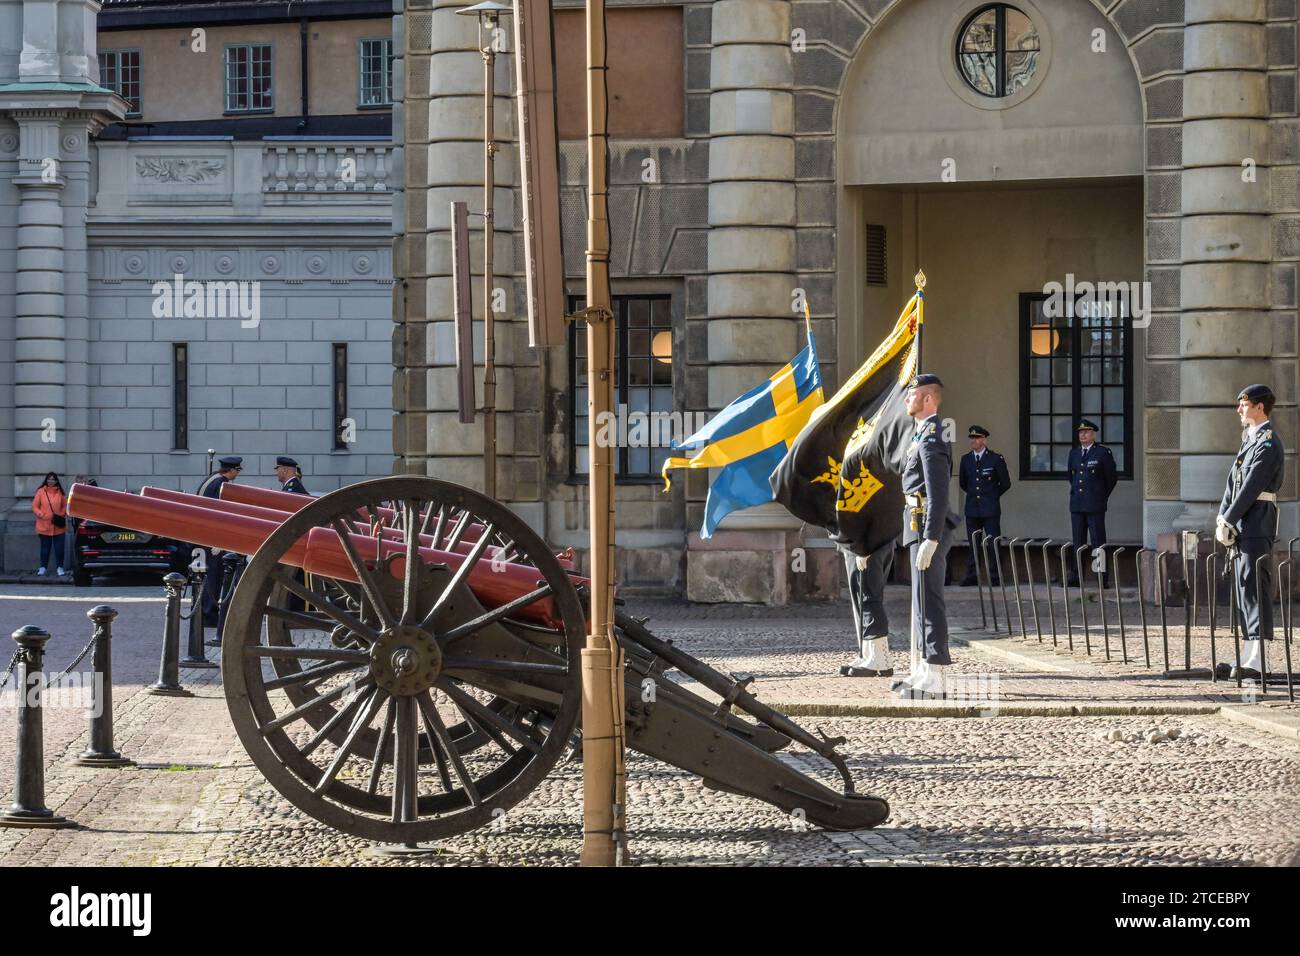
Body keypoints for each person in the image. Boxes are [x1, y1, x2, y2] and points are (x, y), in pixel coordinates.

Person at [893, 373, 960, 700]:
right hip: (916, 524)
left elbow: (938, 493)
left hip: (927, 525)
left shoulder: (933, 436)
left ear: (930, 399)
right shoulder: (919, 434)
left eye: (913, 394)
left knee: (930, 601)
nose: (907, 399)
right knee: (920, 601)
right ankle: (923, 668)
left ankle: (936, 672)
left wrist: (932, 537)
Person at [1215, 384, 1284, 681]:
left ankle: (1259, 658)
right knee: (1244, 589)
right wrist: (1223, 517)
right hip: (1243, 523)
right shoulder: (1250, 441)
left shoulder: (1268, 442)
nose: (1239, 410)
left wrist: (1230, 519)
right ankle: (1247, 652)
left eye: (1243, 404)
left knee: (1255, 588)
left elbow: (1252, 485)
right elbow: (1233, 484)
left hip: (1257, 522)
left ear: (1259, 406)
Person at [1066, 419, 1117, 586]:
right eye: (1080, 432)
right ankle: (1076, 577)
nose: (1083, 434)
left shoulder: (1102, 453)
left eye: (1086, 432)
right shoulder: (1073, 453)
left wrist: (1100, 496)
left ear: (1093, 434)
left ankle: (1101, 578)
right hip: (1077, 505)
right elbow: (1071, 478)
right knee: (1078, 542)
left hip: (1095, 505)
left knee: (1098, 542)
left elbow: (1111, 479)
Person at [958, 425, 1011, 587]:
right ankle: (972, 576)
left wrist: (992, 496)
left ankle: (995, 576)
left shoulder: (995, 459)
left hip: (990, 509)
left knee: (993, 543)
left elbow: (1005, 483)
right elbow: (963, 483)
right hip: (973, 508)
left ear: (984, 440)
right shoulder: (966, 459)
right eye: (971, 438)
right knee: (974, 544)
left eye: (977, 438)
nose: (973, 441)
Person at [840, 539, 896, 678]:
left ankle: (880, 659)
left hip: (867, 543)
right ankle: (868, 654)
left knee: (869, 600)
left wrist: (861, 547)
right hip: (869, 543)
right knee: (862, 601)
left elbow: (864, 517)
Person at [197, 456, 242, 626]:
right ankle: (209, 614)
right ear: (232, 470)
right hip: (212, 539)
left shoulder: (210, 480)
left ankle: (205, 611)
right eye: (237, 471)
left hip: (204, 536)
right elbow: (219, 514)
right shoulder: (221, 485)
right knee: (214, 577)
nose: (237, 474)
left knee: (209, 576)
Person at [32, 471, 68, 577]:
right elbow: (35, 506)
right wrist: (40, 514)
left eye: (53, 479)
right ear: (46, 480)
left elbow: (65, 506)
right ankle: (43, 567)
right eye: (49, 479)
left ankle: (60, 567)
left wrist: (61, 513)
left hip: (58, 525)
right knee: (45, 548)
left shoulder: (60, 492)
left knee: (59, 549)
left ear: (56, 481)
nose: (51, 481)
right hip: (44, 525)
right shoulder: (40, 492)